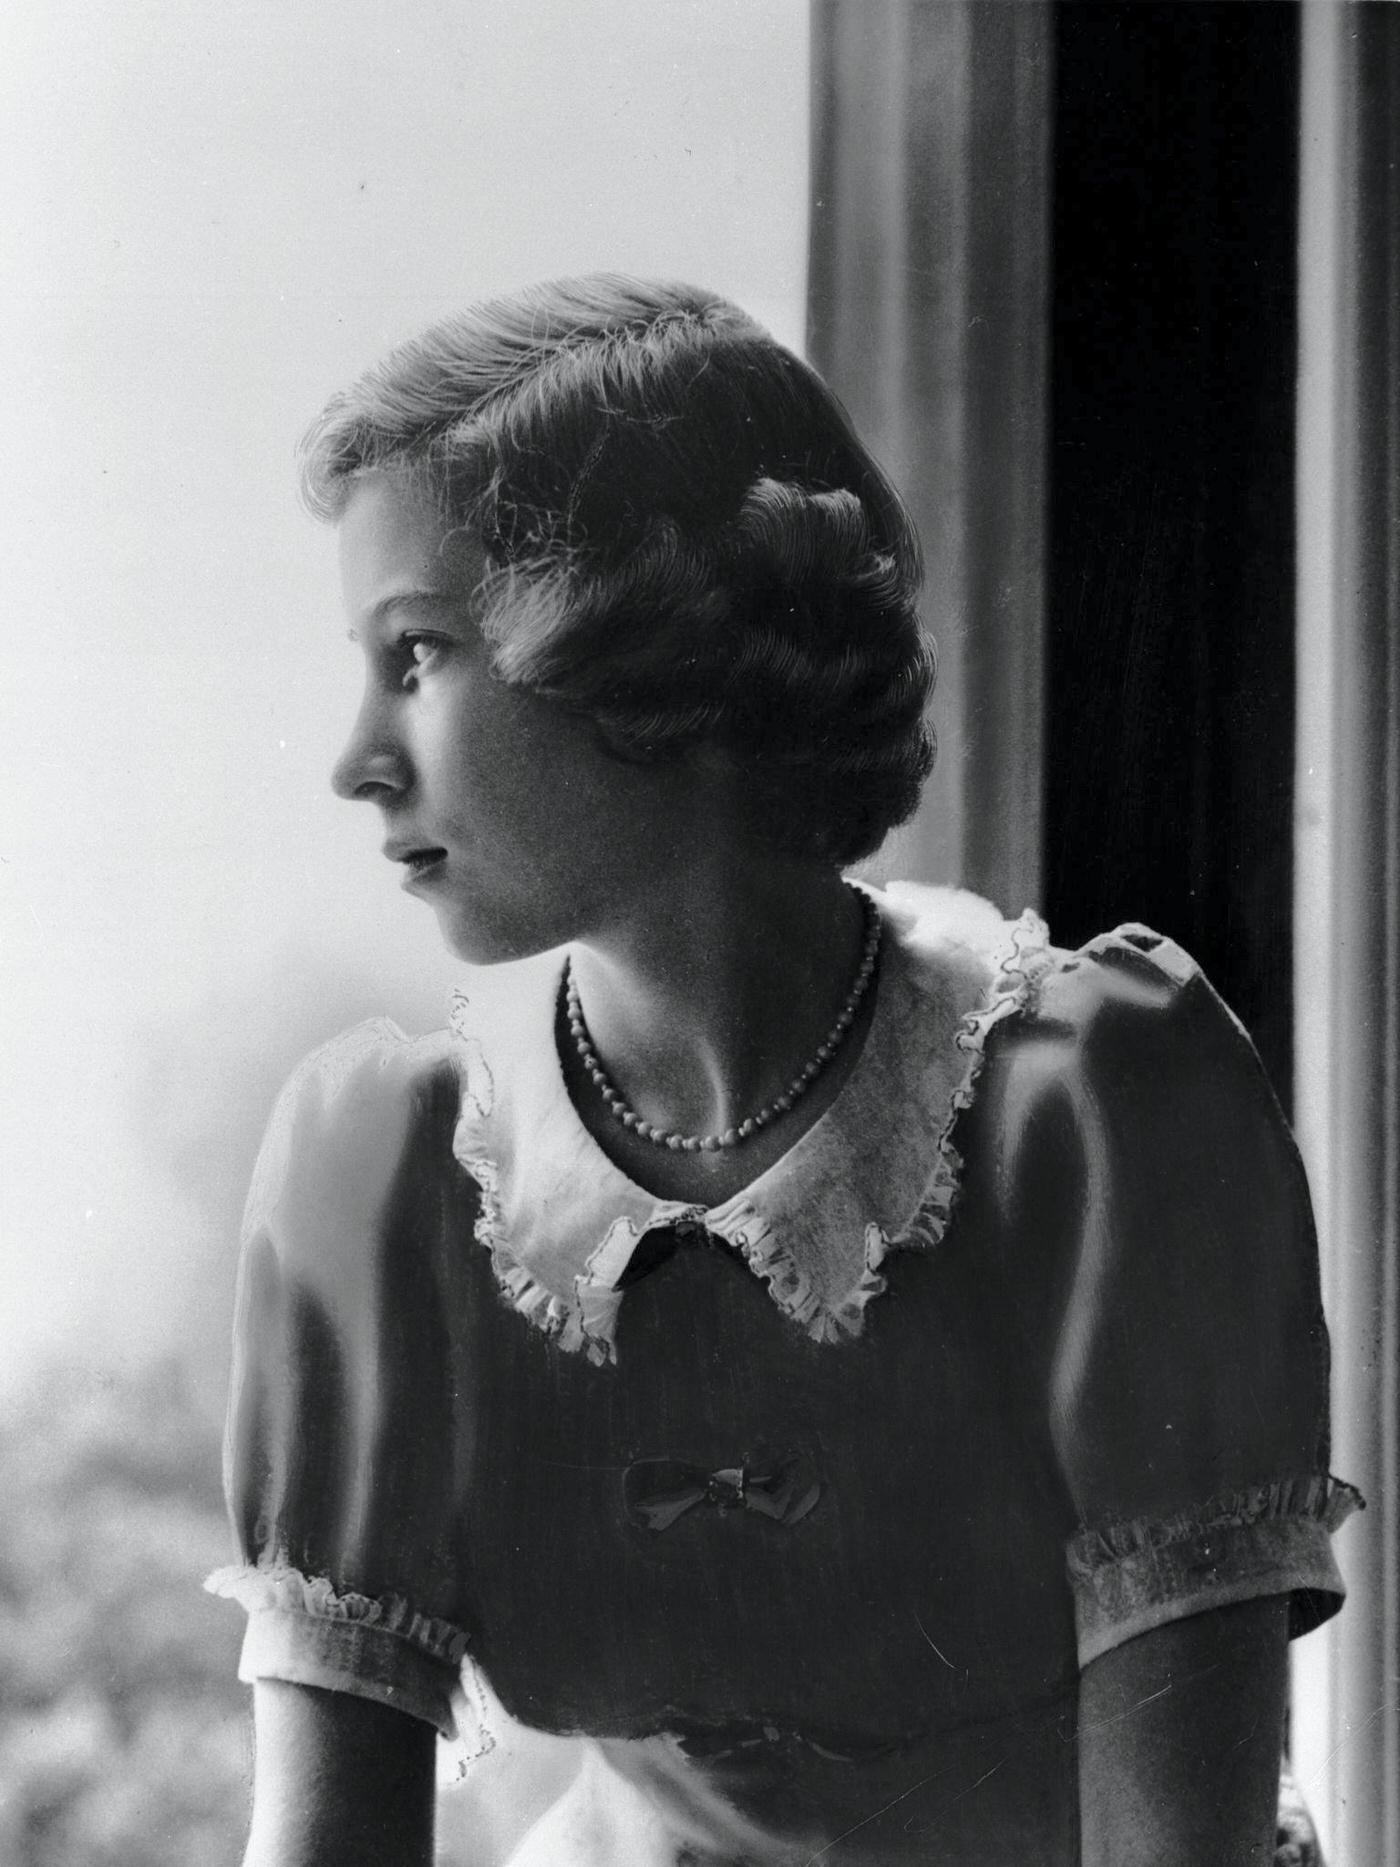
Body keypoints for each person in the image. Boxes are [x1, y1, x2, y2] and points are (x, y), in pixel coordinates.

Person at [206, 277, 1360, 1867]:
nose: (357, 759)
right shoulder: (394, 1175)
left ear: (642, 644)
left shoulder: (1098, 1113)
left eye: (417, 655)